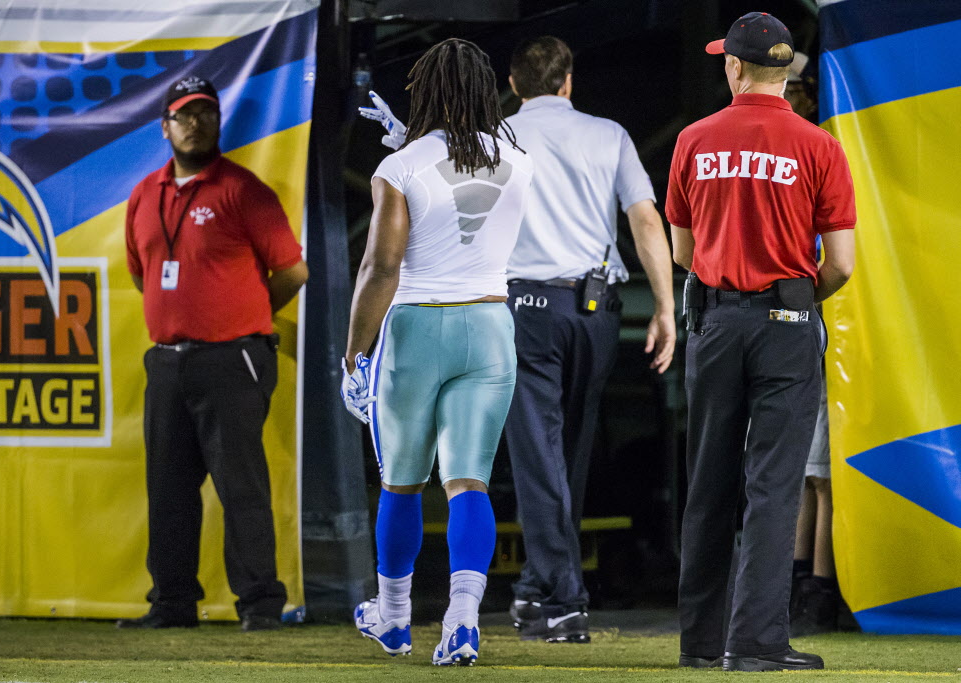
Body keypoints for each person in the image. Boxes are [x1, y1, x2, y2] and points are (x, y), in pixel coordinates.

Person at [667, 12, 855, 671]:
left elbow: (683, 252)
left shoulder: (693, 139)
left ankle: (698, 641)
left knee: (709, 482)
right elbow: (842, 261)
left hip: (716, 322)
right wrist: (796, 298)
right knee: (774, 484)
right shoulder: (820, 146)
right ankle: (755, 642)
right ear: (785, 72)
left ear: (734, 67)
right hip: (788, 323)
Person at [343, 38, 533, 666]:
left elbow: (381, 266)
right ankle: (462, 620)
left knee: (401, 484)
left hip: (418, 329)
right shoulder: (520, 157)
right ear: (489, 92)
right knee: (468, 481)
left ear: (423, 92)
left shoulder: (401, 166)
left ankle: (395, 618)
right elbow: (468, 175)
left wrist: (353, 352)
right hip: (489, 327)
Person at [501, 36, 675, 643]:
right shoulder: (610, 134)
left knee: (539, 454)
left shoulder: (496, 139)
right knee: (566, 454)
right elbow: (645, 217)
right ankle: (537, 588)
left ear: (515, 83)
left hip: (524, 308)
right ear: (568, 81)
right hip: (598, 308)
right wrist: (665, 306)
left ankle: (565, 598)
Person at [120, 75, 309, 631]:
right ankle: (173, 604)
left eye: (205, 113)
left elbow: (294, 270)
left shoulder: (243, 190)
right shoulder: (144, 194)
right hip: (168, 361)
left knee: (240, 485)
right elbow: (141, 273)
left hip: (234, 359)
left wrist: (245, 314)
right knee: (169, 490)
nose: (195, 123)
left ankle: (260, 605)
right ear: (164, 127)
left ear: (218, 121)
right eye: (184, 115)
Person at [786, 50, 844, 637]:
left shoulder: (823, 144)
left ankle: (816, 589)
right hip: (811, 315)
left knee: (815, 470)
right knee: (808, 468)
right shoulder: (816, 143)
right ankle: (806, 584)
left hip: (819, 318)